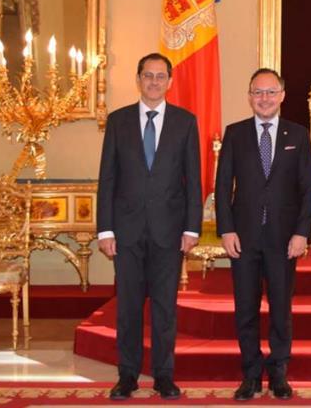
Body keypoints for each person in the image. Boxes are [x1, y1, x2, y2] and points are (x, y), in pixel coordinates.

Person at [96, 52, 202, 401]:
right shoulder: (118, 121)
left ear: (170, 81)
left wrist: (192, 228)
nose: (154, 82)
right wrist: (105, 229)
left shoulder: (186, 122)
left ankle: (163, 376)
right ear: (138, 79)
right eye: (148, 75)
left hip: (169, 232)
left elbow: (193, 182)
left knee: (165, 309)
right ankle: (126, 375)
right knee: (127, 308)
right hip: (125, 233)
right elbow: (107, 179)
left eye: (160, 76)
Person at [215, 68, 311, 401]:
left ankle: (279, 373)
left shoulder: (298, 136)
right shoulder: (235, 134)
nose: (264, 98)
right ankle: (250, 375)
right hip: (243, 238)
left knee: (280, 310)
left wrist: (302, 233)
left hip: (283, 240)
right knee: (245, 309)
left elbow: (307, 191)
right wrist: (226, 229)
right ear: (249, 96)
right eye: (258, 92)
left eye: (271, 92)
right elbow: (222, 187)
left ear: (282, 95)